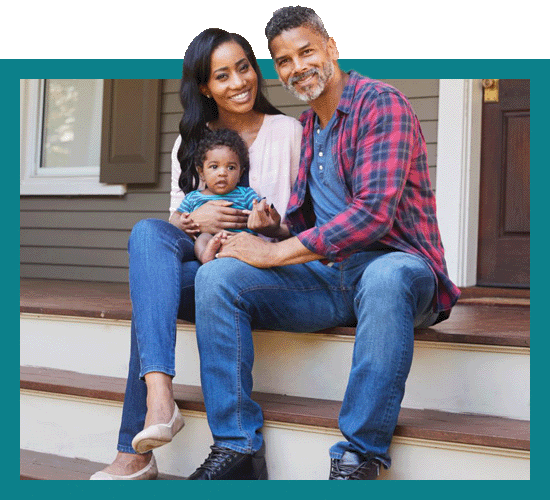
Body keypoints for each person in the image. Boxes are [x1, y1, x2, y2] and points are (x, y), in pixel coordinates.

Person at [187, 6, 461, 480]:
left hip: (399, 269)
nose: (298, 67)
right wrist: (264, 229)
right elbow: (306, 225)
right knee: (218, 277)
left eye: (306, 51)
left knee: (386, 275)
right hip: (332, 276)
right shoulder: (311, 126)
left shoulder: (382, 104)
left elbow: (373, 217)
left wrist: (274, 253)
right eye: (284, 60)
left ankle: (360, 455)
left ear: (331, 48)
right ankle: (237, 447)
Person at [90, 27, 302, 480]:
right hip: (205, 268)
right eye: (222, 75)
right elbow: (173, 228)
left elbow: (308, 226)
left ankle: (136, 451)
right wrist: (196, 221)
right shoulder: (189, 143)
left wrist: (272, 225)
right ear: (205, 86)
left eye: (243, 68)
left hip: (262, 274)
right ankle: (160, 399)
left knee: (152, 297)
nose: (238, 82)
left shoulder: (288, 132)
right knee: (148, 233)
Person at [175, 128, 265, 263]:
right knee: (203, 238)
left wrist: (260, 214)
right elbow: (175, 217)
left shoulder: (246, 194)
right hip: (209, 240)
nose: (222, 173)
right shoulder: (193, 197)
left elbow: (260, 212)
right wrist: (182, 222)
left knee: (251, 239)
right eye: (214, 167)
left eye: (231, 168)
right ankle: (206, 256)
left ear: (240, 173)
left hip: (238, 240)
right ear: (201, 172)